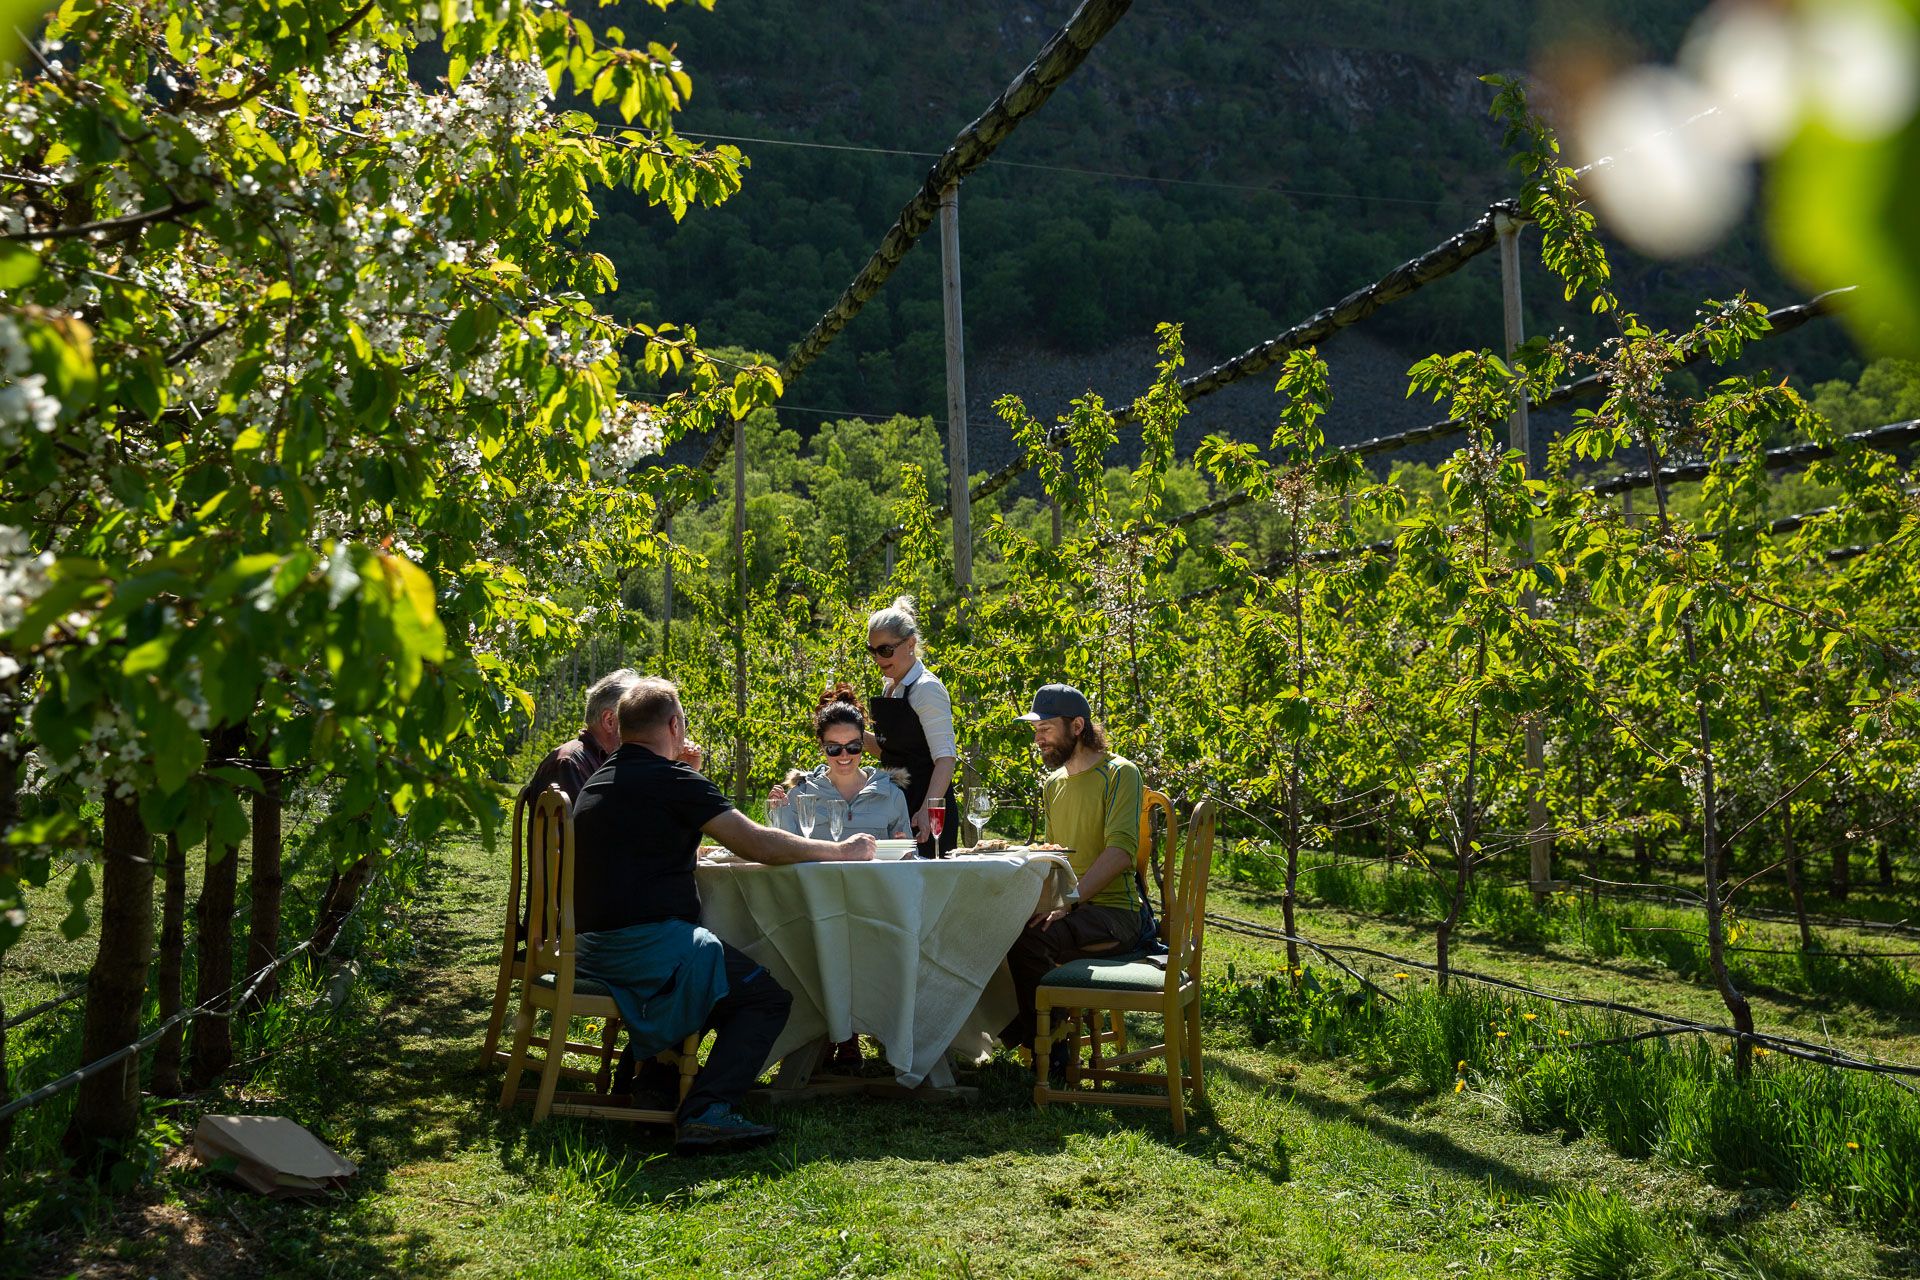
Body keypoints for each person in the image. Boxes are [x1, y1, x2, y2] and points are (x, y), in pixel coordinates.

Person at [569, 677, 875, 1154]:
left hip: (591, 948)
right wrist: (841, 851)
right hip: (647, 949)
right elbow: (758, 844)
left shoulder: (601, 779)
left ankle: (653, 1082)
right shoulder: (672, 782)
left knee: (720, 978)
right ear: (675, 725)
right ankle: (706, 1112)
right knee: (764, 998)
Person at [999, 683, 1150, 1058]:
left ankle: (1048, 1047)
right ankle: (1029, 1032)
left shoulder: (1120, 773)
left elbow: (1120, 853)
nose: (1038, 739)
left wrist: (1069, 900)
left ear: (1077, 726)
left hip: (1116, 913)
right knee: (996, 924)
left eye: (1046, 729)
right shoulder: (1053, 784)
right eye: (1036, 730)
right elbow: (1057, 857)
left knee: (1028, 939)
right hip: (1071, 906)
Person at [862, 595, 958, 857]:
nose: (878, 658)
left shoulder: (927, 689)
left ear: (910, 644)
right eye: (872, 650)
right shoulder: (890, 687)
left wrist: (928, 810)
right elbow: (892, 753)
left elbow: (946, 758)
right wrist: (849, 732)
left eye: (885, 650)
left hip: (925, 810)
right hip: (895, 804)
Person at [525, 667, 703, 806]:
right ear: (610, 721)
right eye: (635, 718)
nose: (647, 729)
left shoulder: (612, 762)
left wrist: (678, 769)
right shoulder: (569, 764)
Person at [767, 684, 913, 842]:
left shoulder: (891, 794)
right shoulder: (801, 794)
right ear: (822, 745)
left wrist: (905, 849)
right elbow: (785, 849)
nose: (844, 755)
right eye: (834, 748)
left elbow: (907, 853)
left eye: (853, 747)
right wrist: (779, 811)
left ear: (863, 743)